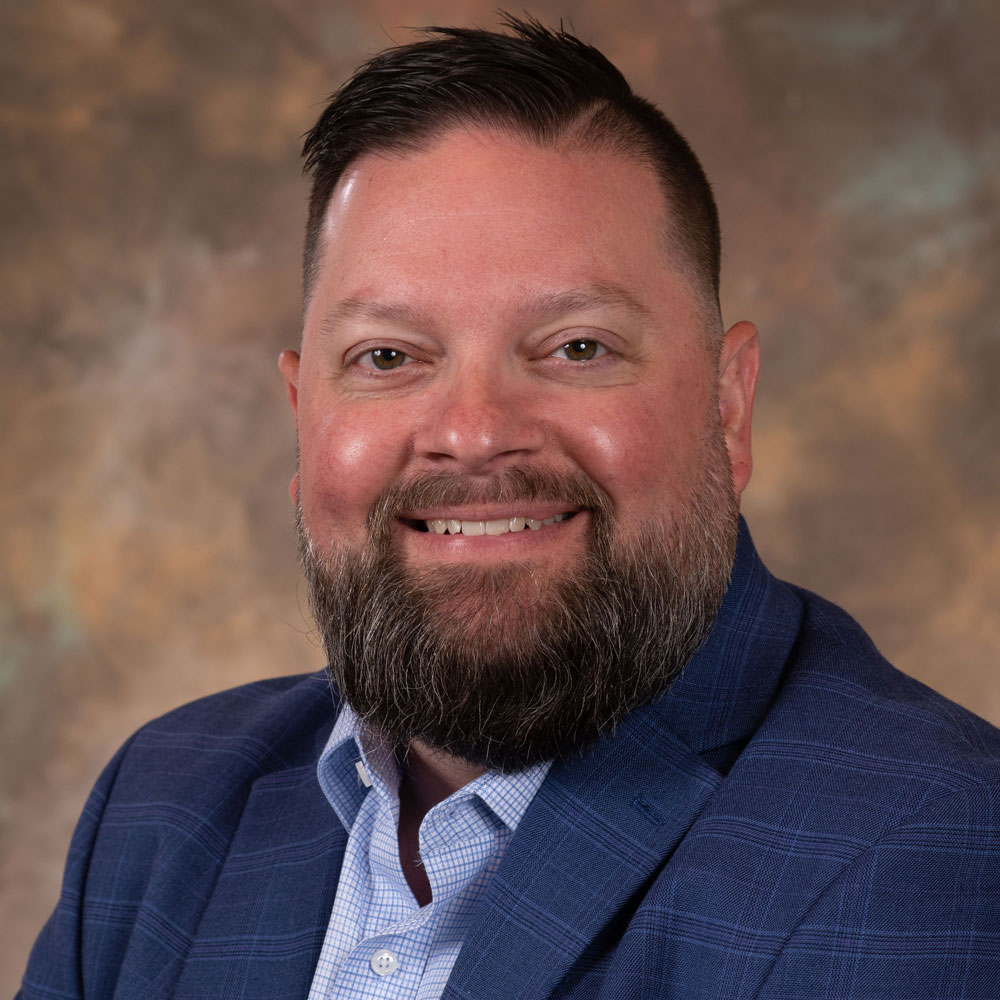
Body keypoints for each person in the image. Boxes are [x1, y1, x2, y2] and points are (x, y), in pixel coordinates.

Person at [19, 15, 1000, 1000]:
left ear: (727, 403)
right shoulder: (162, 813)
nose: (475, 431)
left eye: (577, 347)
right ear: (301, 414)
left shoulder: (923, 849)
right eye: (388, 357)